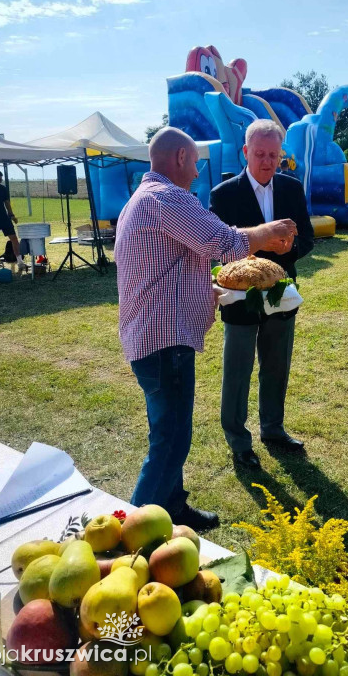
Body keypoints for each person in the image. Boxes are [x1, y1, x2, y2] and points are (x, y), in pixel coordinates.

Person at [114, 126, 297, 531]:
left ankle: (174, 508)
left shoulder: (143, 199)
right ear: (180, 158)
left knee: (168, 433)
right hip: (165, 341)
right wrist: (269, 232)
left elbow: (171, 264)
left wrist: (203, 290)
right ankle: (126, 535)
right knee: (170, 441)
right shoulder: (167, 198)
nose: (197, 172)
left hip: (154, 336)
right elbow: (221, 243)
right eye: (195, 163)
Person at [209, 119, 315, 470]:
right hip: (240, 296)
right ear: (245, 152)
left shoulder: (291, 188)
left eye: (273, 154)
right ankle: (239, 441)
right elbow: (218, 249)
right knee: (237, 370)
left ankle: (273, 429)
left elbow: (308, 238)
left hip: (282, 293)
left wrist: (289, 248)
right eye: (259, 154)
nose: (267, 161)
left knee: (276, 366)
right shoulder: (223, 195)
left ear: (280, 154)